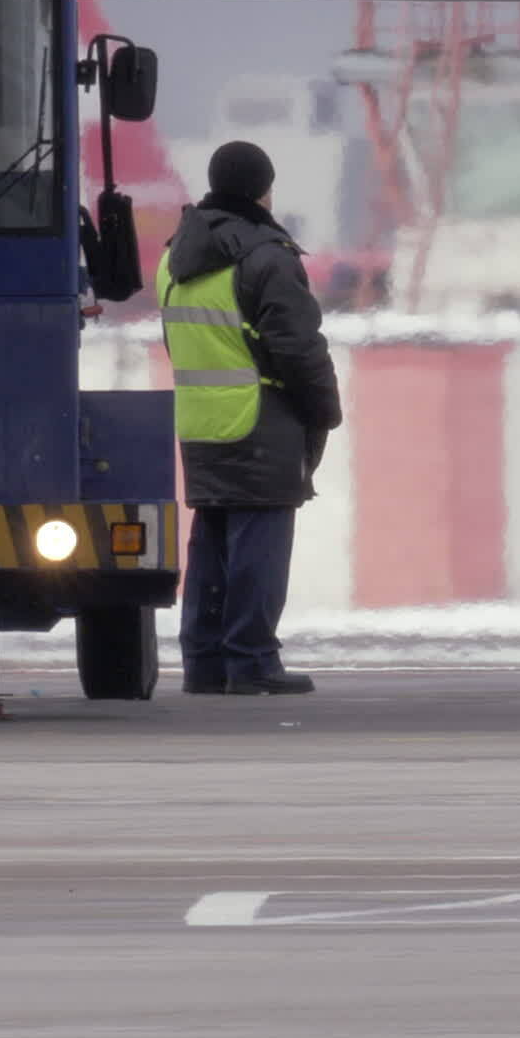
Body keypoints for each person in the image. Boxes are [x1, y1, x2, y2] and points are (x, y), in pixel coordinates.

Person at [162, 140, 342, 696]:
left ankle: (205, 661)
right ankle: (253, 661)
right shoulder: (265, 256)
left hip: (200, 420)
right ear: (264, 189)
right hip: (260, 418)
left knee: (211, 543)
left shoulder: (176, 255)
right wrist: (325, 411)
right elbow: (298, 348)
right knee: (260, 543)